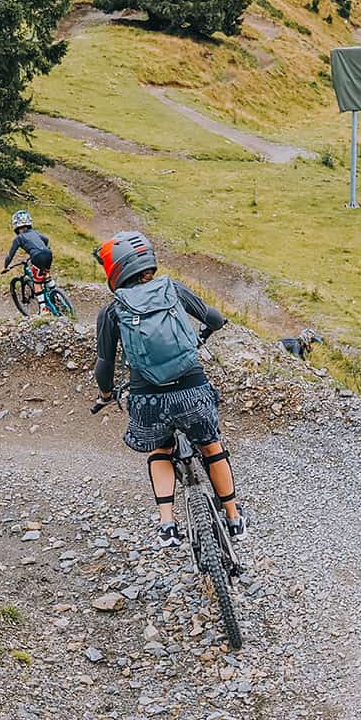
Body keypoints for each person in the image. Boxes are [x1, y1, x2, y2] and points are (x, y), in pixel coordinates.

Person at [90, 230, 246, 548]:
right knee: (212, 447)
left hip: (148, 399)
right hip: (192, 389)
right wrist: (206, 332)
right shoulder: (171, 288)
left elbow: (104, 365)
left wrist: (106, 395)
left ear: (114, 269)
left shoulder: (111, 311)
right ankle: (234, 518)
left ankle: (167, 524)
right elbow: (214, 318)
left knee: (160, 449)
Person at [4, 210, 53, 284]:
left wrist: (6, 266)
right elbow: (46, 239)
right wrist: (43, 248)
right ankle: (55, 292)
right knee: (46, 276)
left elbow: (10, 255)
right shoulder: (35, 232)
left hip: (36, 256)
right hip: (48, 253)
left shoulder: (19, 238)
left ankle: (40, 295)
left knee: (37, 283)